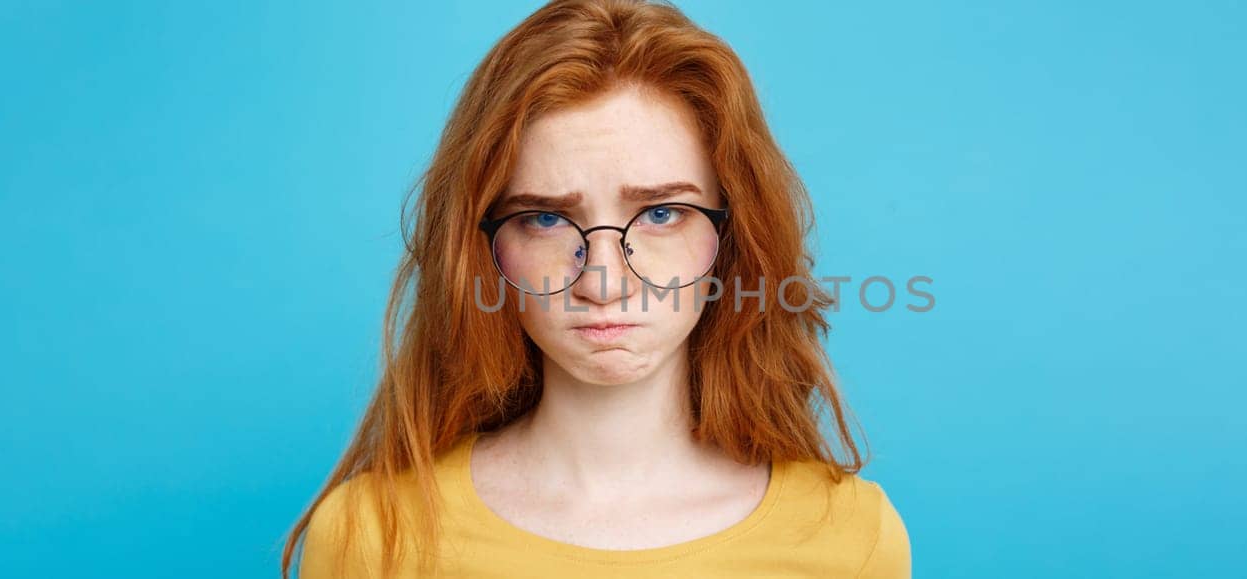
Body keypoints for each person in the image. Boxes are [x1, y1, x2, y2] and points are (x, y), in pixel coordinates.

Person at [280, 1, 910, 576]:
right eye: (546, 218)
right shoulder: (371, 536)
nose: (602, 282)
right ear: (481, 248)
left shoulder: (851, 538)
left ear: (735, 236)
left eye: (662, 213)